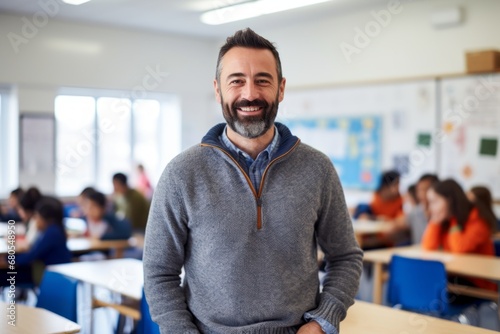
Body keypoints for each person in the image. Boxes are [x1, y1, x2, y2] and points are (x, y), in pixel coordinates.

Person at [143, 28, 363, 334]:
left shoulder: (317, 168)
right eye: (236, 81)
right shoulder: (182, 173)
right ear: (218, 90)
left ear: (281, 88)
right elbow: (158, 272)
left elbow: (346, 257)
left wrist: (322, 321)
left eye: (263, 80)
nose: (249, 94)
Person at [422, 179, 497, 292]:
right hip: (453, 275)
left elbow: (459, 248)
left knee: (430, 286)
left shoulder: (478, 219)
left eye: (435, 202)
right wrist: (434, 222)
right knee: (424, 281)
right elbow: (428, 247)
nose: (431, 208)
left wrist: (454, 219)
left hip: (475, 282)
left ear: (450, 201)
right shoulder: (444, 222)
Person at [16, 196, 72, 284]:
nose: (36, 221)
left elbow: (32, 255)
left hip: (53, 276)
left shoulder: (52, 232)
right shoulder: (54, 229)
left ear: (46, 219)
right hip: (52, 272)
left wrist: (9, 259)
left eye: (37, 217)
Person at [406, 174, 439, 244]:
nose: (421, 194)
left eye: (425, 190)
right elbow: (399, 223)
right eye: (419, 190)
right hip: (418, 252)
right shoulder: (415, 212)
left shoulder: (441, 214)